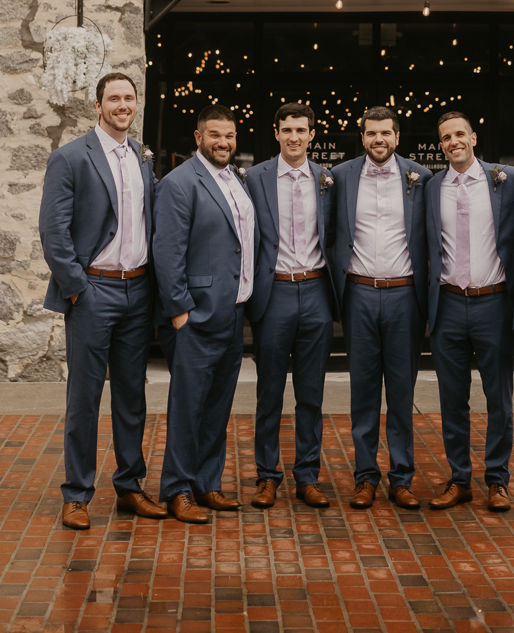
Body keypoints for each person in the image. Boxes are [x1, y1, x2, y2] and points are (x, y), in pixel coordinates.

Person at [39, 71, 165, 531]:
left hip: (137, 290)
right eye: (114, 98)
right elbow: (54, 232)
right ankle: (76, 494)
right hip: (93, 291)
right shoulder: (70, 157)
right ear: (98, 105)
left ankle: (130, 487)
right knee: (85, 397)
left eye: (129, 98)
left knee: (132, 396)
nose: (122, 105)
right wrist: (77, 288)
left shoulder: (141, 157)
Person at [154, 103, 258, 523]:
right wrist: (180, 311)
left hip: (233, 314)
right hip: (195, 317)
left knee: (217, 405)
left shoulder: (236, 179)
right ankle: (177, 489)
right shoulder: (180, 183)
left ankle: (206, 483)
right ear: (199, 137)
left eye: (229, 136)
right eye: (215, 135)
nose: (223, 142)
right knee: (187, 406)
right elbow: (167, 252)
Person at [329, 106, 431, 510]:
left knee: (402, 391)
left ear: (397, 136)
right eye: (371, 133)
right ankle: (365, 477)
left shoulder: (420, 179)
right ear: (362, 136)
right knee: (364, 391)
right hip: (359, 294)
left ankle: (402, 478)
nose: (378, 140)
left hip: (405, 294)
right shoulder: (339, 177)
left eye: (385, 133)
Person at [425, 111, 514, 512]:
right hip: (448, 303)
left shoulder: (508, 180)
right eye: (446, 137)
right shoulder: (432, 187)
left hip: (493, 302)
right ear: (441, 144)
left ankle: (497, 479)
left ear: (473, 137)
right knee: (452, 398)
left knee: (498, 397)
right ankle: (460, 478)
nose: (453, 142)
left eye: (459, 134)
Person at [245, 102, 337, 509]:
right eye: (287, 130)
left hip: (316, 290)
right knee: (269, 392)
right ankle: (267, 477)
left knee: (311, 392)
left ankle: (307, 476)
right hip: (275, 291)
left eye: (302, 130)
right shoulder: (255, 178)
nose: (294, 137)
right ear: (276, 133)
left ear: (312, 134)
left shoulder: (327, 179)